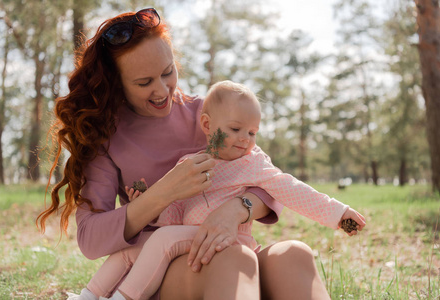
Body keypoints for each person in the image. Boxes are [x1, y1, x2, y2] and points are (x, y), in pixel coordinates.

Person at [34, 8, 353, 300]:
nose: (162, 90)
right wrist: (162, 194)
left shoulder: (209, 114)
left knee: (294, 253)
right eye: (144, 82)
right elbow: (91, 239)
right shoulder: (106, 140)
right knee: (233, 259)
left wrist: (235, 210)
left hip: (233, 245)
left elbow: (271, 182)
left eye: (167, 72)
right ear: (118, 84)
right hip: (164, 267)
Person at [69, 81, 366, 300]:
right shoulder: (191, 163)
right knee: (131, 250)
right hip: (190, 247)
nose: (245, 139)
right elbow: (176, 213)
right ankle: (90, 295)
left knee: (296, 251)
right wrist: (151, 204)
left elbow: (290, 188)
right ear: (208, 125)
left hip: (232, 244)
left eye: (252, 133)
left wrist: (339, 214)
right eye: (236, 130)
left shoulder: (253, 162)